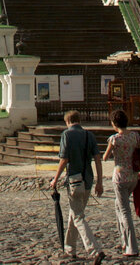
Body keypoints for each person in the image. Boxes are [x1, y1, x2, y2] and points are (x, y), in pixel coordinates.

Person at [48, 110, 104, 265]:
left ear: (67, 121)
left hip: (74, 181)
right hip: (88, 180)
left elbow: (64, 159)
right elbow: (98, 160)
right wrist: (99, 182)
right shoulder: (89, 135)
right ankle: (70, 248)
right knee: (74, 214)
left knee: (78, 216)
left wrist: (55, 179)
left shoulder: (67, 135)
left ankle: (95, 250)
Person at [102, 109, 140, 259]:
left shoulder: (114, 139)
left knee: (124, 211)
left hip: (120, 177)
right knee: (118, 206)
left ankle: (132, 246)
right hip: (133, 176)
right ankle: (124, 240)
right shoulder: (135, 136)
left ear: (114, 124)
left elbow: (105, 157)